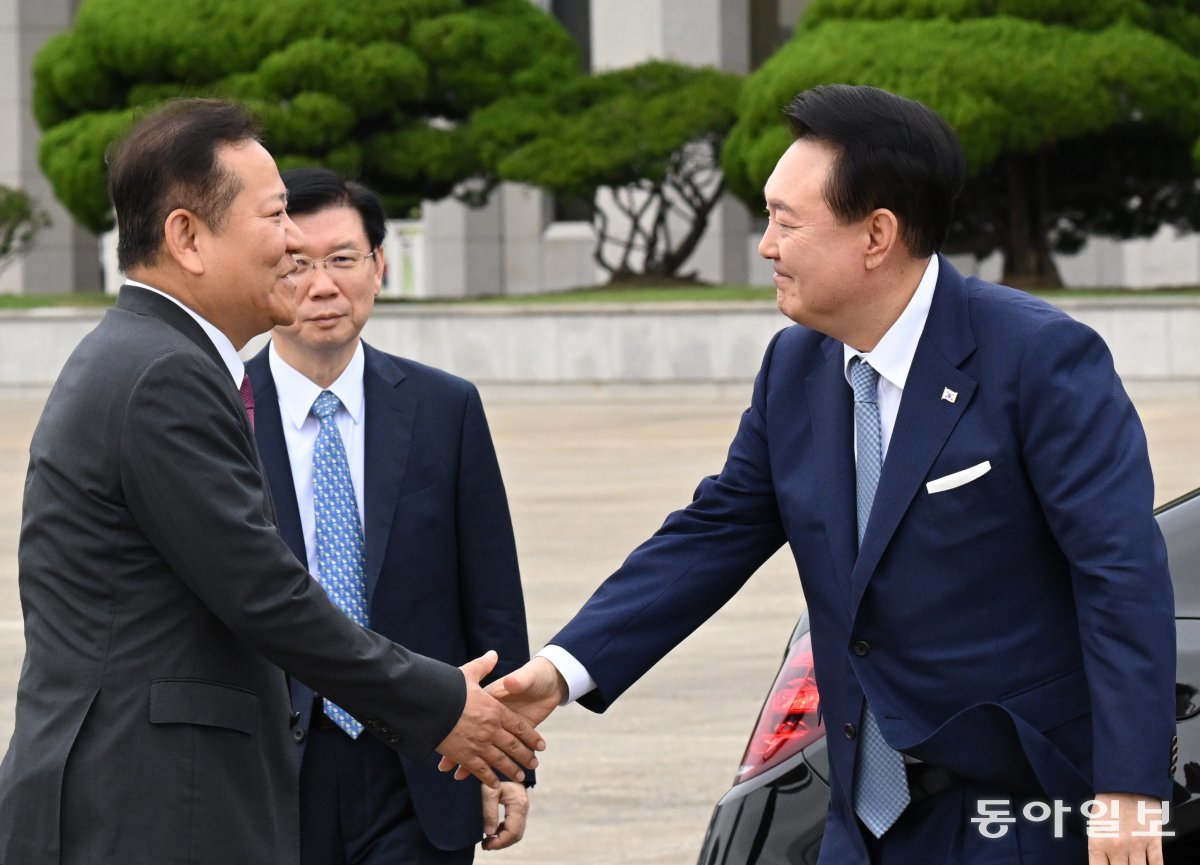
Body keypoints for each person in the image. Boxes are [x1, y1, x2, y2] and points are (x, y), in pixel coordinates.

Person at [482, 85, 1176, 865]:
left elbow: (1120, 575)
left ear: (876, 233)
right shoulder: (795, 366)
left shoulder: (1037, 359)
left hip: (1010, 815)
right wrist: (561, 672)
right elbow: (712, 534)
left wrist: (1129, 796)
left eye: (786, 219)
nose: (767, 245)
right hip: (860, 821)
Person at [0, 99, 541, 865]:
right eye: (276, 215)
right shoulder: (162, 376)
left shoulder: (153, 358)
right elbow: (266, 594)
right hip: (144, 810)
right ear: (188, 236)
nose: (295, 246)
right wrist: (445, 705)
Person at [245, 167, 532, 864]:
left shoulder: (445, 408)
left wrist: (510, 763)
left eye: (343, 259)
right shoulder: (218, 411)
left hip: (424, 764)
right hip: (268, 771)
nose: (322, 285)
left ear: (379, 266)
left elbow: (491, 597)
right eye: (296, 263)